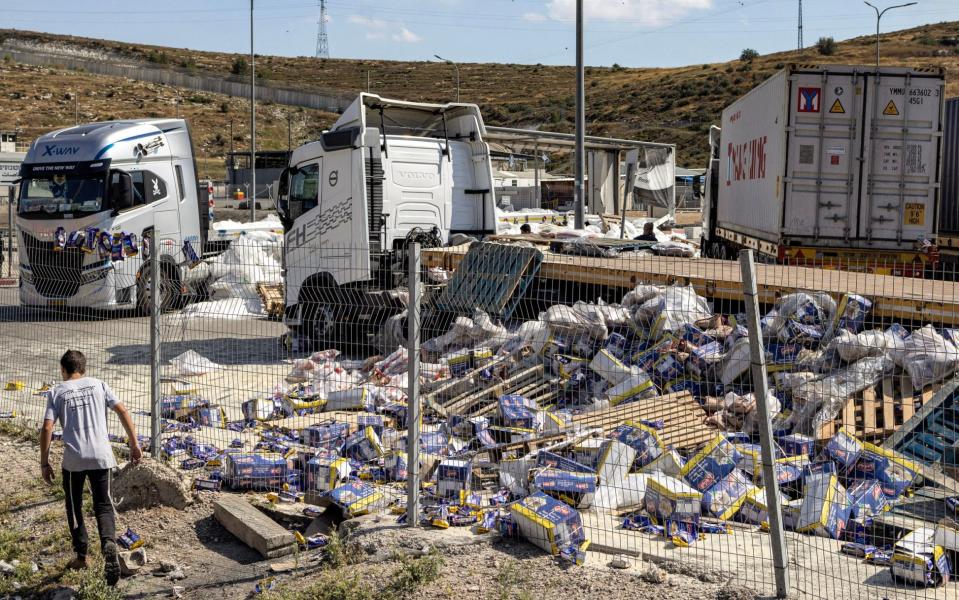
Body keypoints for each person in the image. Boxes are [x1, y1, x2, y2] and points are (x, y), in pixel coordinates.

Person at [40, 350, 142, 586]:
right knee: (103, 504)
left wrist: (44, 463)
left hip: (74, 460)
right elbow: (123, 410)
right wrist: (134, 444)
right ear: (83, 369)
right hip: (101, 456)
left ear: (63, 370)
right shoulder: (99, 384)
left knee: (74, 507)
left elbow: (47, 429)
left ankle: (82, 556)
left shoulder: (57, 391)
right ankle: (108, 542)